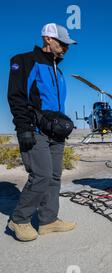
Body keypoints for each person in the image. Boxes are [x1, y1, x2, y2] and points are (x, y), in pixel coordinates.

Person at [7, 23, 77, 242]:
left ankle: (48, 220)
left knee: (55, 176)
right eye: (62, 43)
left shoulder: (58, 70)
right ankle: (19, 219)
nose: (66, 48)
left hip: (56, 132)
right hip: (34, 130)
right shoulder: (24, 61)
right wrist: (24, 129)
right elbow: (16, 97)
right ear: (48, 38)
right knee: (41, 175)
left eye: (68, 45)